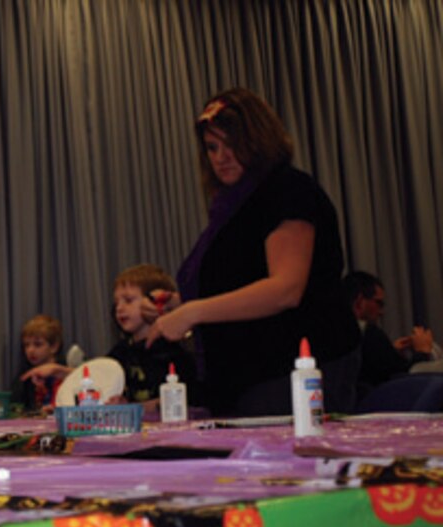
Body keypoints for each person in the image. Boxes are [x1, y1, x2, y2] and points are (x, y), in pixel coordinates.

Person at [145, 88, 360, 417]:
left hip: (291, 375)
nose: (221, 157)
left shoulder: (288, 190)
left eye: (232, 145)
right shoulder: (232, 207)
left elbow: (285, 289)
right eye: (212, 147)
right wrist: (180, 305)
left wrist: (193, 312)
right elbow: (242, 284)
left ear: (258, 140)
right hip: (247, 379)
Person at [106, 264, 198, 412]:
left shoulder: (174, 351)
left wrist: (130, 408)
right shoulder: (120, 351)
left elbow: (183, 398)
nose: (119, 308)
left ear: (157, 304)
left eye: (128, 300)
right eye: (117, 303)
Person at [343, 271, 437, 393]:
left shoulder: (336, 333)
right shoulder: (368, 333)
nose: (381, 312)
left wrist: (389, 351)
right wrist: (422, 351)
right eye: (379, 303)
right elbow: (406, 380)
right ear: (359, 302)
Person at [10, 314, 65, 414]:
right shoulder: (24, 378)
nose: (30, 350)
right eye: (26, 345)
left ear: (54, 347)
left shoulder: (66, 373)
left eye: (38, 344)